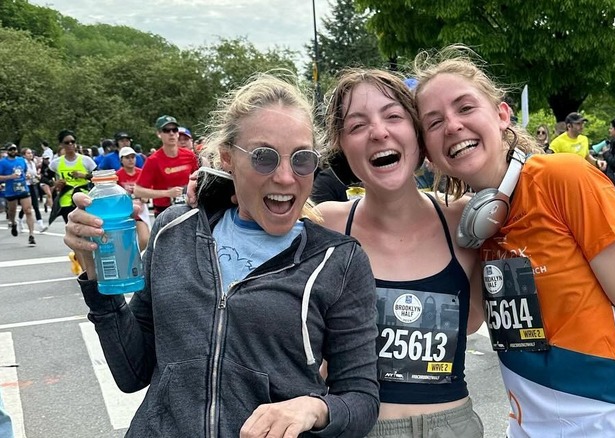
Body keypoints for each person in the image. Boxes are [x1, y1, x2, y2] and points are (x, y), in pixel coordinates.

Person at [62, 73, 380, 437]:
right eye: (264, 157)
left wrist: (315, 407)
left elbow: (360, 399)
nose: (285, 177)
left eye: (302, 159)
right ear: (228, 158)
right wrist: (95, 277)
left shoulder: (336, 260)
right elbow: (131, 372)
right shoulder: (173, 231)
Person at [412, 46, 615, 437]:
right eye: (434, 122)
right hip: (526, 427)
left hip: (611, 422)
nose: (453, 126)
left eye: (464, 108)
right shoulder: (470, 222)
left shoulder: (563, 178)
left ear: (501, 115)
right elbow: (472, 319)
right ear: (426, 150)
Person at [317, 69, 484, 437]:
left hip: (453, 426)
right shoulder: (323, 226)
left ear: (418, 135)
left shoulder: (465, 220)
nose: (379, 132)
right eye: (357, 126)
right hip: (360, 427)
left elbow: (471, 320)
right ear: (341, 145)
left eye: (393, 116)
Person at [133, 115, 199, 216]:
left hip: (188, 207)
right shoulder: (153, 160)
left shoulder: (189, 155)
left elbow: (198, 178)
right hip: (164, 211)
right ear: (159, 134)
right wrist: (167, 193)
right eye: (166, 130)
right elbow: (138, 191)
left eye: (174, 130)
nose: (171, 133)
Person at [48, 130, 97, 225]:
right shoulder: (56, 163)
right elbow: (44, 178)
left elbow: (99, 177)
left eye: (73, 142)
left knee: (86, 228)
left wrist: (84, 175)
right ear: (61, 145)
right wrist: (55, 183)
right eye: (67, 142)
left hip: (84, 198)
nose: (70, 144)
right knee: (74, 228)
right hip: (66, 201)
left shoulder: (86, 160)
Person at [0, 143, 37, 245]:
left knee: (28, 210)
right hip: (10, 190)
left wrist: (27, 176)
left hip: (23, 188)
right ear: (7, 151)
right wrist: (10, 177)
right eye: (11, 149)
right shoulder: (3, 162)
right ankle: (13, 222)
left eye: (14, 149)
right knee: (12, 211)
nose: (13, 151)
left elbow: (24, 172)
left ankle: (31, 235)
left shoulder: (21, 160)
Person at [116, 146, 151, 251]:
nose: (131, 160)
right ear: (121, 160)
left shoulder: (142, 173)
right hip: (124, 213)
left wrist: (146, 196)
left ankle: (138, 258)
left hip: (140, 212)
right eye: (127, 157)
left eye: (133, 157)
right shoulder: (117, 176)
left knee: (145, 239)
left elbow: (149, 189)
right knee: (125, 243)